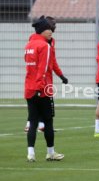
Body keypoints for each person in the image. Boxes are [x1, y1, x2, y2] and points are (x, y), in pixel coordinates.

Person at [24, 16, 64, 162]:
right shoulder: (45, 46)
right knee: (48, 122)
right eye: (48, 29)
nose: (51, 31)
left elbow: (29, 66)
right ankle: (50, 153)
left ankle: (31, 154)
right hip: (42, 89)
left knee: (33, 122)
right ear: (41, 30)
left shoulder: (29, 44)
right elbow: (44, 67)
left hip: (29, 88)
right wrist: (41, 87)